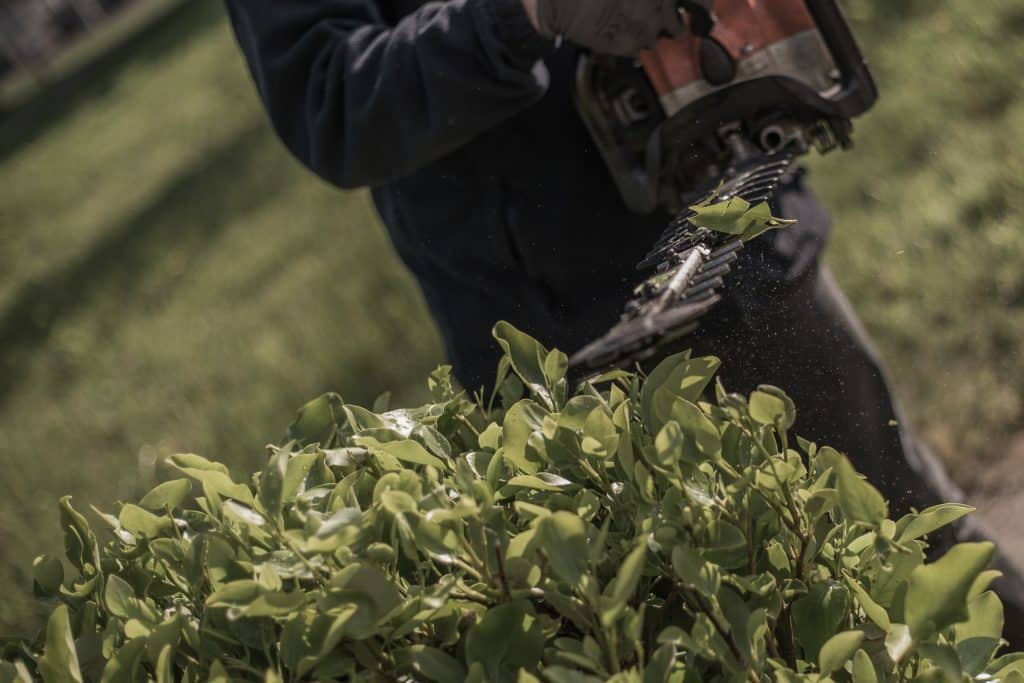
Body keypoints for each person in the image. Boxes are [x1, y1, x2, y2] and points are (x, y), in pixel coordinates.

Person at [223, 0, 1024, 636]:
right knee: (733, 637)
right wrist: (526, 14)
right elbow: (333, 98)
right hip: (573, 353)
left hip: (733, 219)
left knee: (922, 542)